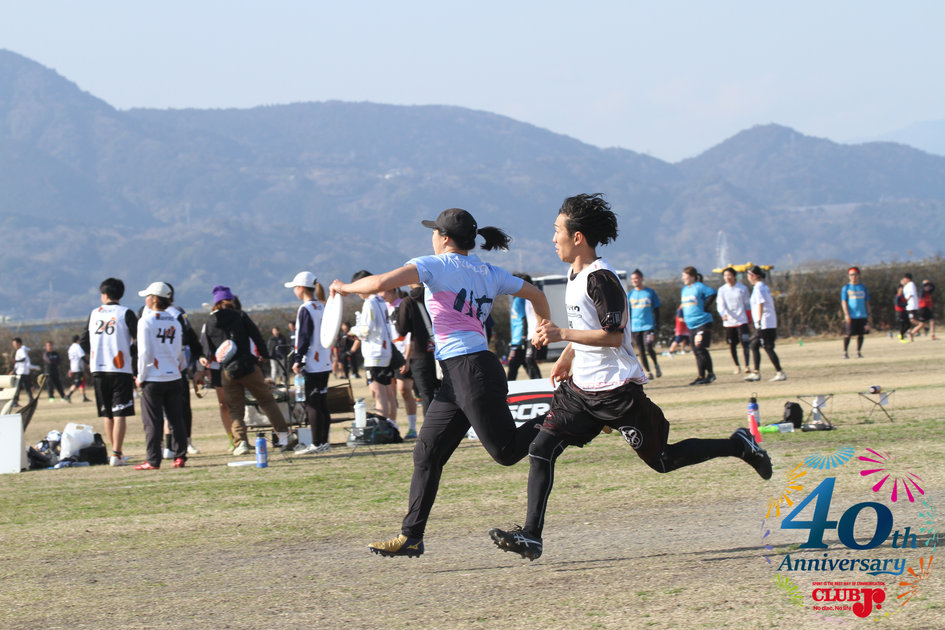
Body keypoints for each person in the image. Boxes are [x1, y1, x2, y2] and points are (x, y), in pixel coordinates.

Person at [488, 193, 771, 561]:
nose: (553, 238)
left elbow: (613, 337)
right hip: (579, 391)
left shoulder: (601, 278)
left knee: (663, 460)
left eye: (557, 231)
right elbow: (587, 326)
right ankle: (531, 536)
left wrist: (561, 335)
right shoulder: (575, 274)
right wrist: (569, 356)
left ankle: (738, 444)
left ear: (578, 237)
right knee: (541, 449)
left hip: (616, 391)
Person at [329, 207, 550, 558]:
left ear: (444, 238)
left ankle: (567, 416)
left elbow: (380, 284)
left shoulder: (435, 265)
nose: (431, 237)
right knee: (427, 452)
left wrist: (343, 288)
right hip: (460, 374)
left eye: (434, 232)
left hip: (471, 372)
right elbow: (536, 294)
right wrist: (543, 328)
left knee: (506, 453)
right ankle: (411, 537)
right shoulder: (489, 271)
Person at [199, 285, 297, 455]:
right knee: (267, 402)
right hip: (248, 367)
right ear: (231, 300)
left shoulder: (209, 322)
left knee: (235, 409)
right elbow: (256, 336)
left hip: (227, 371)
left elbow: (210, 349)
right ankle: (284, 438)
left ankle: (241, 443)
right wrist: (264, 355)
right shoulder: (240, 315)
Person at [79, 278, 137, 467]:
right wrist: (131, 355)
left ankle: (115, 453)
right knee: (120, 412)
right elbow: (139, 339)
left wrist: (92, 357)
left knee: (107, 414)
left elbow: (83, 342)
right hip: (120, 368)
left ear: (104, 295)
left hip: (99, 368)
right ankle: (117, 454)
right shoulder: (126, 313)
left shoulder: (94, 313)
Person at [133, 282, 188, 470]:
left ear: (155, 299)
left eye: (148, 296)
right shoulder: (174, 321)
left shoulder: (146, 321)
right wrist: (176, 367)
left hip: (153, 378)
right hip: (174, 376)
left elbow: (144, 352)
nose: (146, 299)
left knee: (152, 421)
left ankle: (153, 460)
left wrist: (140, 376)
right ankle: (180, 456)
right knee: (177, 419)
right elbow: (180, 350)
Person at [285, 271, 333, 454]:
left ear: (301, 288)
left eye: (295, 288)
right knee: (322, 402)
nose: (294, 291)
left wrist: (298, 360)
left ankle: (316, 443)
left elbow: (304, 337)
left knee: (312, 403)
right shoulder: (322, 306)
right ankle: (324, 442)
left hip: (313, 361)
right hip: (325, 360)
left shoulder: (305, 309)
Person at [350, 271, 397, 428]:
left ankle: (383, 427)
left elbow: (366, 329)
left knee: (378, 392)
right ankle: (392, 424)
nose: (357, 292)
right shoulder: (381, 300)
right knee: (387, 391)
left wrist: (353, 331)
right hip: (385, 350)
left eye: (358, 288)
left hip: (374, 353)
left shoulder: (370, 302)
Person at [395, 283, 438, 416]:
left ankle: (432, 426)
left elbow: (402, 329)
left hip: (419, 353)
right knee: (447, 391)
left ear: (409, 283)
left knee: (426, 394)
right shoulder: (437, 295)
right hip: (443, 351)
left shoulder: (408, 302)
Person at [384, 287, 418, 439]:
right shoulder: (381, 307)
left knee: (405, 390)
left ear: (392, 291)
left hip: (402, 354)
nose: (380, 295)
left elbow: (409, 334)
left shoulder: (403, 305)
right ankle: (392, 426)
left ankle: (412, 427)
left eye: (383, 291)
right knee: (389, 392)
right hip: (386, 354)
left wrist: (407, 358)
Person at [744, 266, 786, 382]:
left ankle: (780, 372)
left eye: (749, 275)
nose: (748, 278)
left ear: (755, 276)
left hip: (764, 323)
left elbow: (760, 304)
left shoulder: (759, 288)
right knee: (754, 345)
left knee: (767, 347)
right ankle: (756, 373)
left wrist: (758, 320)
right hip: (766, 322)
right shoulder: (762, 287)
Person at [679, 266, 716, 385]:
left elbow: (712, 293)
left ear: (692, 277)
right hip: (691, 324)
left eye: (685, 276)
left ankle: (710, 374)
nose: (683, 278)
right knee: (696, 350)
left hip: (703, 322)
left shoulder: (699, 286)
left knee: (700, 347)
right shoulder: (684, 290)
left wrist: (706, 305)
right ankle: (701, 376)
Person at [716, 266, 752, 375]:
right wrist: (722, 314)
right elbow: (720, 304)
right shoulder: (722, 290)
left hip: (742, 320)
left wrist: (749, 319)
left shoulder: (742, 288)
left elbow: (747, 304)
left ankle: (747, 365)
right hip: (729, 322)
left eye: (729, 275)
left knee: (745, 343)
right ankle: (737, 365)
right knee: (732, 344)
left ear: (734, 276)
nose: (727, 278)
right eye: (725, 276)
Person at [627, 269, 662, 380]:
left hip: (648, 326)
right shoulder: (630, 295)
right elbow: (628, 312)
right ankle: (648, 371)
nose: (634, 280)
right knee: (641, 350)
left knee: (648, 347)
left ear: (641, 279)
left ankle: (656, 365)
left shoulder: (650, 292)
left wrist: (657, 323)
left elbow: (657, 309)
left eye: (636, 278)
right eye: (632, 279)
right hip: (635, 327)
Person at [841, 267, 871, 358]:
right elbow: (844, 302)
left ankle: (858, 352)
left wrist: (869, 314)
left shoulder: (863, 287)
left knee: (861, 334)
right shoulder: (846, 288)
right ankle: (845, 352)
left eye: (855, 274)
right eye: (851, 275)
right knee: (848, 334)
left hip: (862, 315)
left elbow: (867, 302)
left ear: (859, 275)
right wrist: (847, 314)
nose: (853, 276)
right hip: (852, 315)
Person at [65, 335, 91, 402]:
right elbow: (82, 356)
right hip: (78, 367)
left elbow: (71, 359)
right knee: (77, 382)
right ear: (78, 340)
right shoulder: (78, 347)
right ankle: (68, 395)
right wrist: (88, 363)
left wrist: (70, 368)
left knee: (82, 381)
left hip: (73, 367)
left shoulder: (71, 348)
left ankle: (84, 397)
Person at [9, 338, 33, 407]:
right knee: (27, 387)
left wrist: (16, 361)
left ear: (19, 343)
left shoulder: (21, 350)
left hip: (22, 372)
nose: (14, 345)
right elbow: (18, 364)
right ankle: (31, 400)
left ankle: (15, 402)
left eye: (15, 344)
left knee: (18, 387)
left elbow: (24, 358)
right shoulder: (20, 350)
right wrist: (13, 370)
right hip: (24, 372)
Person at [901, 273, 920, 342]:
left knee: (912, 320)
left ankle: (923, 326)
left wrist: (905, 301)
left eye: (904, 278)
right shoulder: (906, 285)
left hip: (912, 305)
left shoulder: (911, 284)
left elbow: (910, 295)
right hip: (908, 306)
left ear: (908, 279)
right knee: (909, 322)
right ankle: (910, 337)